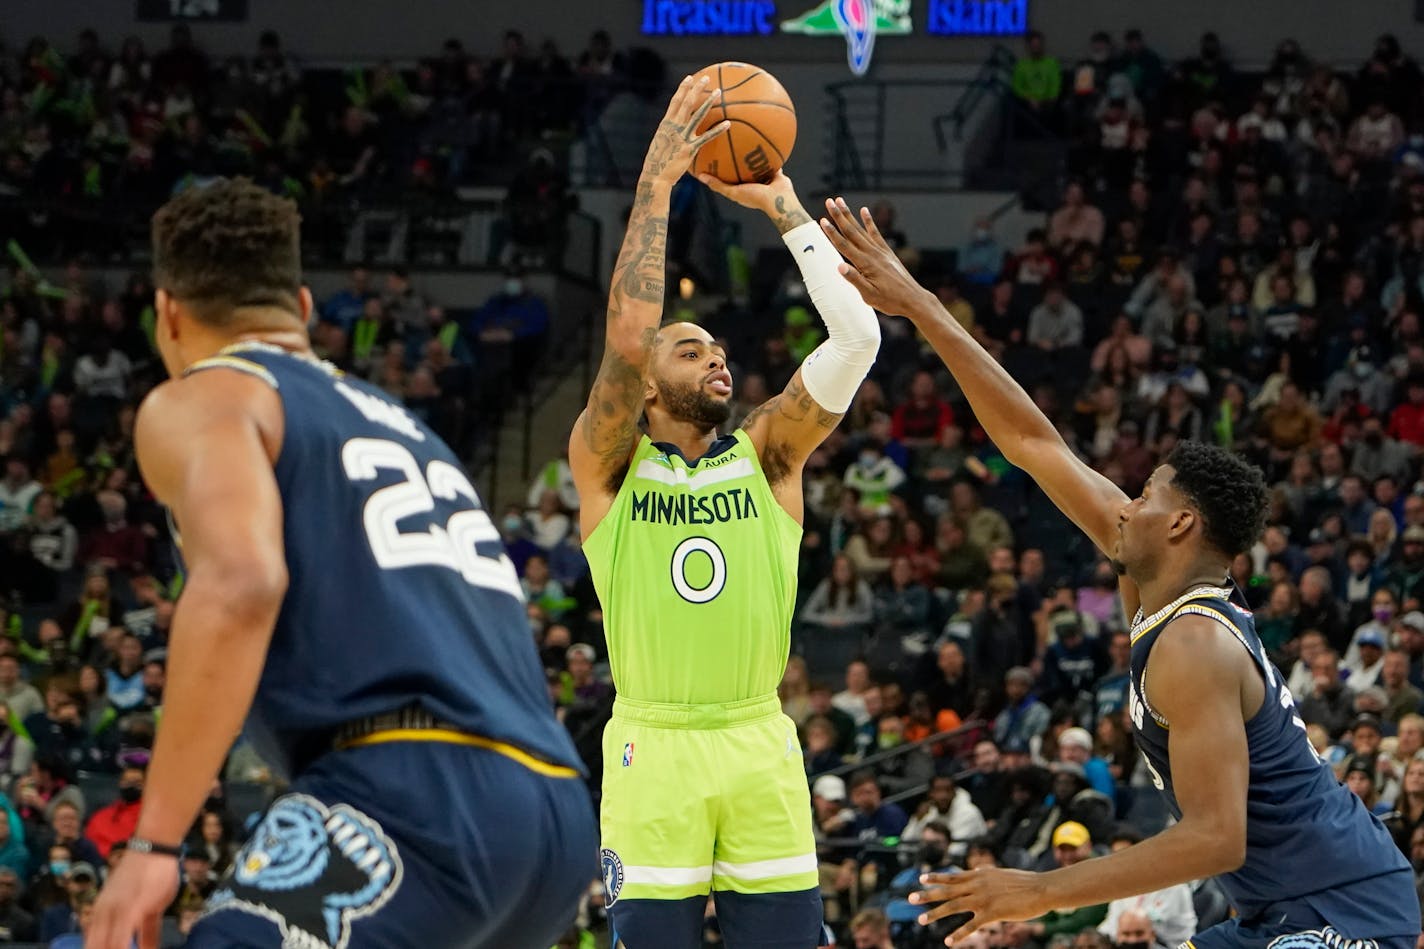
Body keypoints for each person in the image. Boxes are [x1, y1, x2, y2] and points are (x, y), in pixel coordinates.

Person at [820, 198, 1418, 944]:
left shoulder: (1197, 644)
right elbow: (1033, 442)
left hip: (1348, 912)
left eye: (1142, 494)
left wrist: (1038, 889)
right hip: (1276, 911)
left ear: (1180, 523)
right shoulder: (1160, 583)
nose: (1123, 505)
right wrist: (921, 305)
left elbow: (1214, 839)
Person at [85, 179, 595, 949]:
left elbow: (243, 582)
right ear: (304, 307)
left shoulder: (209, 396)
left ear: (168, 312)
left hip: (415, 794)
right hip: (554, 815)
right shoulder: (406, 427)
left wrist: (155, 843)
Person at [569, 76, 879, 949]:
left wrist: (786, 210)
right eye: (691, 345)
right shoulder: (611, 468)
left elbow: (860, 341)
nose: (717, 356)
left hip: (756, 740)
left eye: (719, 348)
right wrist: (656, 188)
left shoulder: (770, 452)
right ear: (650, 387)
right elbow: (629, 340)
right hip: (652, 747)